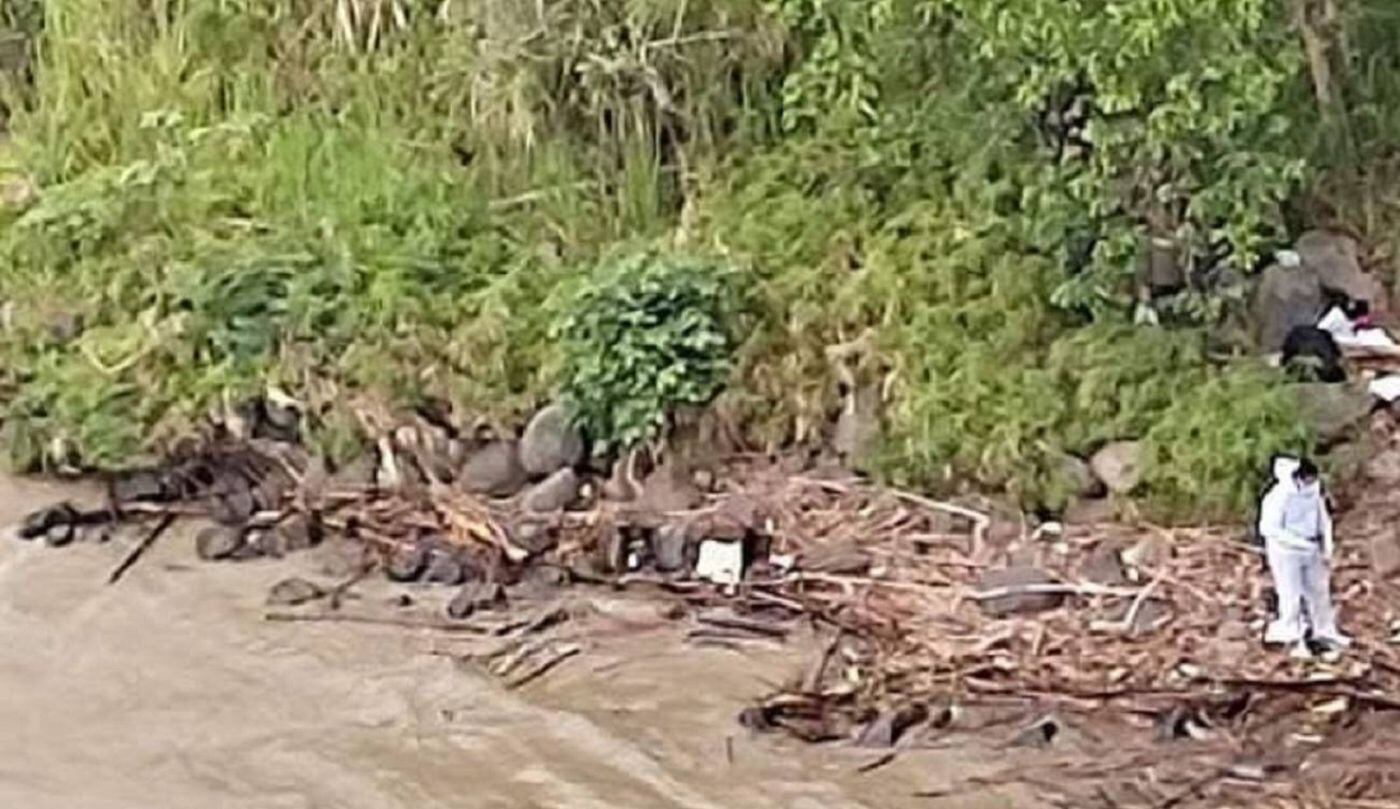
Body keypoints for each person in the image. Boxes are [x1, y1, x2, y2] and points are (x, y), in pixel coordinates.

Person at [1257, 456, 1351, 659]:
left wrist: (1327, 546)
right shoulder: (1279, 496)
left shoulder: (1314, 492)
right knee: (1291, 594)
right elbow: (1269, 528)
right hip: (1286, 551)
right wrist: (1298, 542)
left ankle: (1324, 630)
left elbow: (1323, 519)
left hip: (1312, 548)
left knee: (1319, 591)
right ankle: (1292, 633)